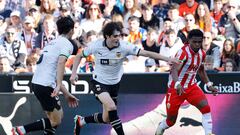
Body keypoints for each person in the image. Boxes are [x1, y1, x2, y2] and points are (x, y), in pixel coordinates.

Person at [70, 22, 179, 135]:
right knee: (112, 107)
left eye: (119, 35)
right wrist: (73, 74)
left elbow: (146, 53)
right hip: (99, 82)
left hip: (114, 85)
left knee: (107, 118)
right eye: (115, 36)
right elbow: (79, 56)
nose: (118, 38)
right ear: (107, 36)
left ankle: (81, 121)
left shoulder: (124, 46)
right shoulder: (97, 46)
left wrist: (167, 59)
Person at [11, 16, 79, 135]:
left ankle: (22, 130)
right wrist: (58, 85)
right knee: (56, 120)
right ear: (72, 30)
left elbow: (53, 73)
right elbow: (61, 62)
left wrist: (67, 94)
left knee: (56, 117)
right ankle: (21, 130)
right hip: (45, 85)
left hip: (37, 83)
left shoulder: (51, 43)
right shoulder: (67, 44)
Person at [155, 29, 218, 135]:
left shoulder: (202, 53)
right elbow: (174, 69)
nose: (197, 44)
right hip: (176, 89)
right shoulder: (183, 53)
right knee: (171, 121)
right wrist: (178, 84)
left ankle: (208, 133)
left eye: (199, 42)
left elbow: (201, 70)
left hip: (191, 87)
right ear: (189, 40)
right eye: (195, 42)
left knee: (206, 107)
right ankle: (161, 126)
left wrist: (209, 84)